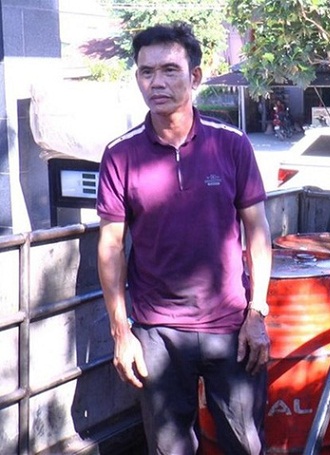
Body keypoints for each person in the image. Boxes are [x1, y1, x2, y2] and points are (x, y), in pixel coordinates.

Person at [96, 22, 272, 455]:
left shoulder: (231, 144)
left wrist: (257, 312)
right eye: (146, 72)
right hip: (157, 333)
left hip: (230, 327)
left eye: (169, 70)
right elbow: (111, 246)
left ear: (194, 77)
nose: (156, 82)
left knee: (246, 445)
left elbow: (257, 231)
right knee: (168, 449)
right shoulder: (120, 155)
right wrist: (121, 331)